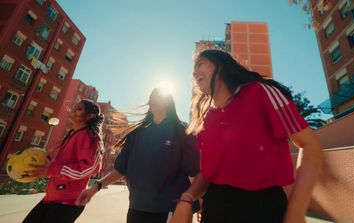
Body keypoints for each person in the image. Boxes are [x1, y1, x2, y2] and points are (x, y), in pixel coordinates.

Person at [172, 50, 323, 223]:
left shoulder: (260, 92)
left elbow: (310, 146)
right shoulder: (207, 119)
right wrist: (187, 198)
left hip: (262, 209)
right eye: (193, 69)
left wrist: (296, 212)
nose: (194, 73)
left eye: (200, 64)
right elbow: (207, 174)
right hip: (214, 209)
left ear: (221, 65)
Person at [75, 88, 200, 223]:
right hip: (136, 209)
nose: (152, 99)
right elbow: (120, 169)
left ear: (167, 102)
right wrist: (95, 188)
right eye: (151, 97)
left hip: (170, 210)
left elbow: (193, 172)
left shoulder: (181, 132)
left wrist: (200, 203)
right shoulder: (137, 134)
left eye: (157, 96)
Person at [23, 99, 104, 223]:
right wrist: (48, 166)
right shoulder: (73, 134)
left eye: (79, 108)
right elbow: (63, 165)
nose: (73, 109)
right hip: (51, 197)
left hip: (69, 201)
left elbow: (90, 167)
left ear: (89, 116)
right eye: (74, 106)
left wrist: (52, 170)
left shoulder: (90, 135)